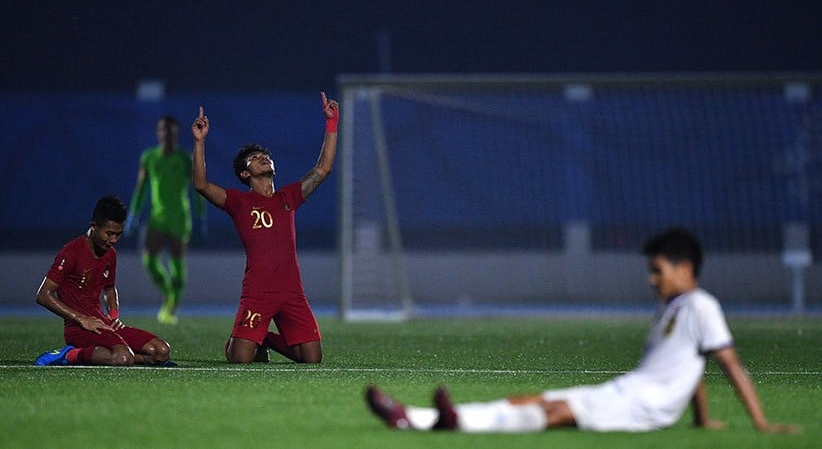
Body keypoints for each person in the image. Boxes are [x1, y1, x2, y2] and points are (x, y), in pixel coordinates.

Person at [366, 228, 798, 434]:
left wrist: (762, 425)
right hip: (629, 391)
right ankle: (417, 418)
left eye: (657, 270)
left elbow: (730, 364)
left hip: (643, 408)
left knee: (554, 414)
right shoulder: (673, 308)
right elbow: (692, 366)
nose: (651, 279)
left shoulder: (703, 305)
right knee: (532, 401)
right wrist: (702, 420)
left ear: (685, 269)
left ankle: (450, 424)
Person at [191, 92, 339, 364]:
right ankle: (243, 343)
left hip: (292, 291)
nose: (262, 158)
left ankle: (265, 338)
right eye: (255, 157)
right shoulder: (239, 202)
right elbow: (201, 185)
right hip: (258, 292)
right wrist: (199, 142)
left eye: (265, 156)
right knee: (240, 360)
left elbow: (323, 168)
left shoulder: (288, 198)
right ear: (245, 174)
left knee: (312, 359)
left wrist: (332, 123)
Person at [34, 195, 175, 367]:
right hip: (79, 328)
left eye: (118, 234)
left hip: (102, 323)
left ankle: (128, 357)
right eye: (109, 234)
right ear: (94, 227)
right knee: (123, 358)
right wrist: (81, 318)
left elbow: (109, 288)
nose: (114, 240)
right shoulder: (71, 252)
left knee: (161, 351)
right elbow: (43, 295)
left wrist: (114, 315)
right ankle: (70, 355)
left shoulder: (110, 254)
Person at [125, 115, 207, 325]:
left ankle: (171, 307)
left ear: (176, 134)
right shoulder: (149, 157)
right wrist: (133, 215)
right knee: (149, 260)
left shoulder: (185, 158)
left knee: (176, 262)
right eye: (163, 130)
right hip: (157, 218)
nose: (167, 134)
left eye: (170, 131)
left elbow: (198, 189)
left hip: (180, 218)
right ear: (158, 133)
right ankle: (168, 290)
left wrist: (200, 217)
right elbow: (141, 188)